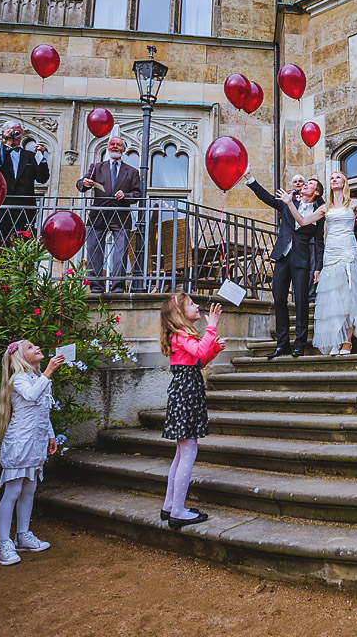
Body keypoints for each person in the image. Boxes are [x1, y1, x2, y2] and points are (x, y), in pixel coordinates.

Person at [279, 173, 357, 355]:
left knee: (347, 296)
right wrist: (289, 203)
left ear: (344, 182)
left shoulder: (353, 204)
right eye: (331, 178)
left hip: (347, 251)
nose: (334, 179)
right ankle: (335, 339)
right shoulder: (325, 207)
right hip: (331, 253)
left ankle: (346, 342)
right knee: (333, 298)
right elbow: (303, 221)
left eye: (338, 177)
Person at [0, 340, 64, 566]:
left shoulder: (36, 377)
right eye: (31, 347)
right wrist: (49, 370)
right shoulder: (20, 379)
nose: (37, 348)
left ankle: (22, 535)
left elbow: (42, 409)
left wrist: (50, 435)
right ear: (21, 357)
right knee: (13, 491)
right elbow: (32, 396)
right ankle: (3, 543)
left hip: (35, 442)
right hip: (19, 443)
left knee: (30, 489)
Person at [159, 294, 225, 528]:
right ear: (179, 313)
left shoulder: (181, 336)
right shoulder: (179, 335)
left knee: (181, 451)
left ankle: (170, 505)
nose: (197, 306)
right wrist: (212, 327)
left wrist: (214, 348)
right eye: (191, 304)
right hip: (187, 394)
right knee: (188, 450)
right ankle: (177, 511)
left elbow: (199, 361)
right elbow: (198, 352)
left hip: (187, 391)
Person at [244, 172, 323, 358]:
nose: (305, 184)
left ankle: (299, 344)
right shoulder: (289, 202)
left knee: (301, 301)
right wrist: (250, 178)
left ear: (316, 192)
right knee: (279, 298)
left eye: (310, 184)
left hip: (301, 259)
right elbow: (267, 198)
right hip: (282, 256)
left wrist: (318, 266)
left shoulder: (319, 212)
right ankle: (282, 344)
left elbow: (319, 243)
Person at [77, 135, 143, 292]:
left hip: (120, 216)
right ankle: (96, 287)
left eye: (119, 145)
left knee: (120, 254)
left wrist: (125, 195)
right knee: (93, 251)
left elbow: (137, 194)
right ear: (107, 147)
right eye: (112, 144)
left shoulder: (132, 172)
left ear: (124, 149)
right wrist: (84, 183)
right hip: (97, 215)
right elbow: (81, 184)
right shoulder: (96, 167)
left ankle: (118, 288)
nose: (115, 147)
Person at [0, 120, 50, 246]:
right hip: (3, 206)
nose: (16, 135)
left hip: (25, 207)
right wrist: (7, 143)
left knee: (24, 244)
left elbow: (42, 178)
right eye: (12, 131)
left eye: (18, 132)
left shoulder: (30, 156)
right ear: (3, 133)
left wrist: (41, 158)